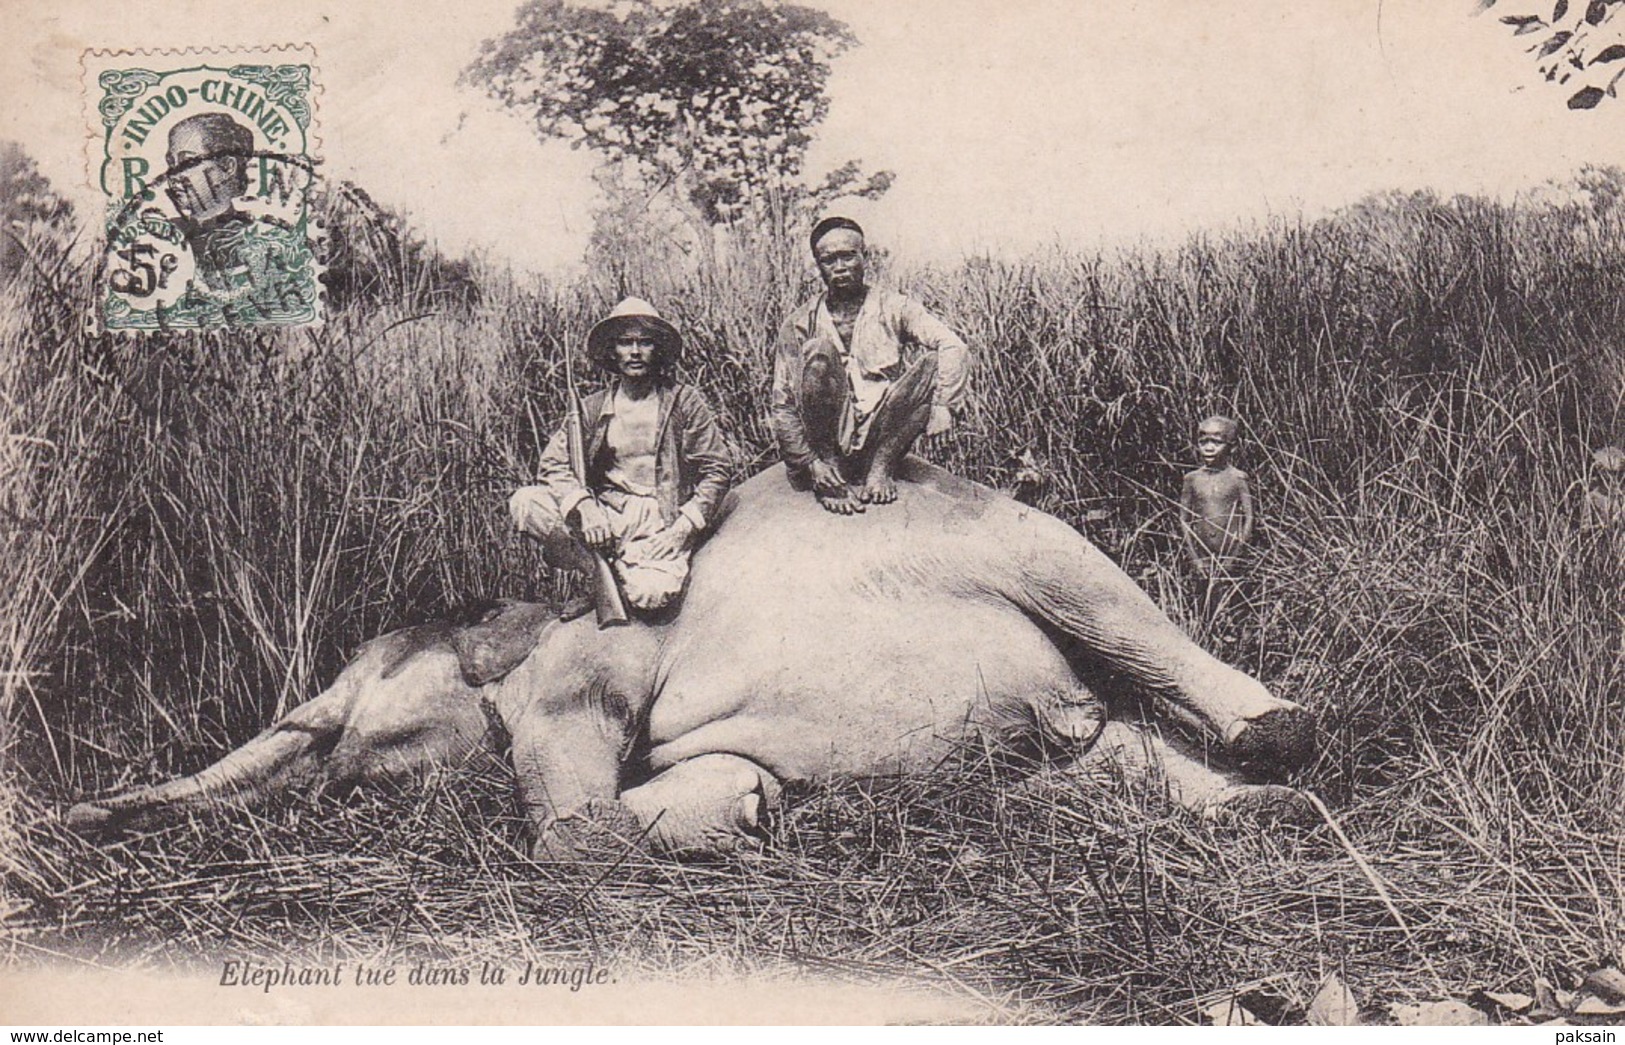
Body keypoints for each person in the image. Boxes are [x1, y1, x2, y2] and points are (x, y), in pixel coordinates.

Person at [509, 298, 731, 615]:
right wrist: (585, 506)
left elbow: (717, 469)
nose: (635, 352)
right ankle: (597, 576)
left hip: (658, 518)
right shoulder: (591, 407)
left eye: (645, 342)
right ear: (613, 351)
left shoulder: (683, 401)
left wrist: (683, 528)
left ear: (659, 350)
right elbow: (553, 464)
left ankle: (623, 576)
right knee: (525, 502)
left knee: (651, 596)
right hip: (606, 515)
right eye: (626, 342)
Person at [770, 216, 972, 514]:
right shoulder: (799, 322)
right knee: (818, 351)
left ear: (865, 256)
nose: (840, 267)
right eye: (829, 260)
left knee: (931, 364)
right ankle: (831, 467)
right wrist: (811, 463)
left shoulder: (895, 306)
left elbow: (953, 345)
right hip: (829, 437)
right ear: (818, 266)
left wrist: (944, 404)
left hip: (882, 430)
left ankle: (881, 466)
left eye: (848, 256)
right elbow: (782, 403)